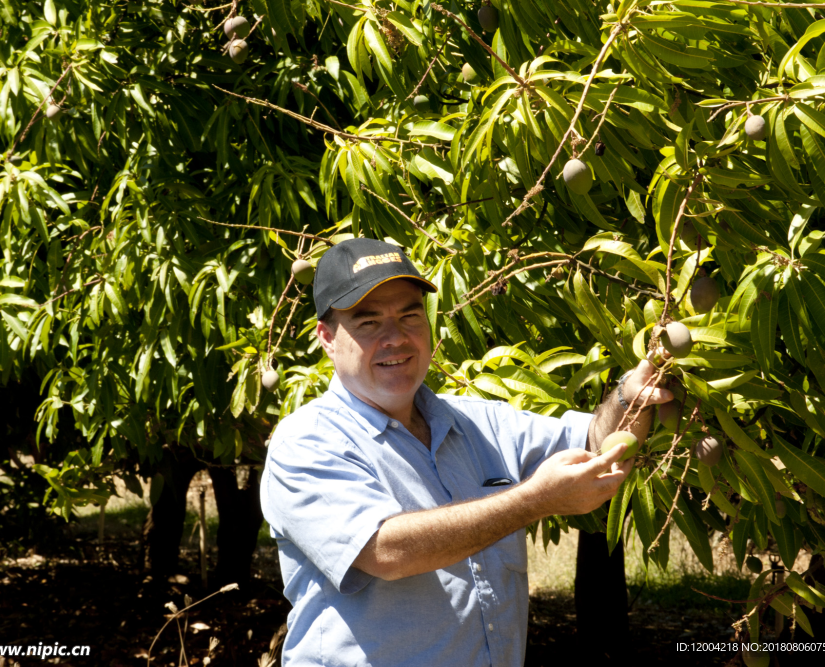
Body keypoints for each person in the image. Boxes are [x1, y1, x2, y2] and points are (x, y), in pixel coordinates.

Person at [260, 238, 672, 666]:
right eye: (368, 323)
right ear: (326, 338)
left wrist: (631, 396)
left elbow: (594, 439)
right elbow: (385, 551)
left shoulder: (480, 423)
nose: (396, 339)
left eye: (410, 316)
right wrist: (534, 500)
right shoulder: (306, 441)